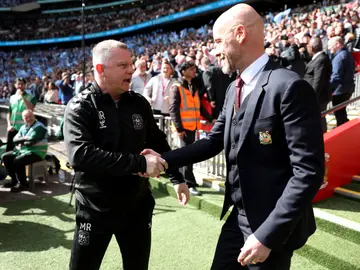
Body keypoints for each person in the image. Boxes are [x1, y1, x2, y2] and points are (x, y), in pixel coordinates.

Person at [144, 4, 324, 269]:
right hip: (237, 218)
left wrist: (267, 235)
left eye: (218, 41)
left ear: (240, 33)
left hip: (271, 228)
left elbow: (308, 171)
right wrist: (164, 159)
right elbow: (213, 141)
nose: (215, 50)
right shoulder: (233, 89)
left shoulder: (289, 87)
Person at [63, 39, 189, 270]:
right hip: (95, 209)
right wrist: (140, 162)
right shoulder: (80, 106)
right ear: (100, 69)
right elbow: (81, 155)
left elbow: (157, 141)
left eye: (130, 64)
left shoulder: (138, 103)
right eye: (123, 65)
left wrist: (177, 178)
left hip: (137, 207)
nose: (131, 69)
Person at [169, 61, 215, 196]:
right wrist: (179, 128)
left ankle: (187, 180)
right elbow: (173, 110)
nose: (194, 71)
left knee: (188, 155)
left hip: (192, 127)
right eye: (191, 69)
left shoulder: (192, 87)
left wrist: (211, 119)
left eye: (194, 68)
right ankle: (188, 183)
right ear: (183, 71)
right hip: (184, 128)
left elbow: (199, 107)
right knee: (188, 156)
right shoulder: (176, 87)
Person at [2, 110, 48, 192]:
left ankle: (23, 184)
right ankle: (14, 180)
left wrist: (21, 141)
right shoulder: (23, 127)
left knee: (18, 160)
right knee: (5, 157)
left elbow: (31, 141)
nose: (28, 119)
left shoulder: (39, 127)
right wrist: (24, 139)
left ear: (33, 116)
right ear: (23, 119)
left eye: (29, 116)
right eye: (25, 117)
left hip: (37, 153)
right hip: (24, 151)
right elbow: (15, 139)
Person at [304, 37, 332, 133]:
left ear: (311, 47)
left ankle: (323, 138)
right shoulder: (317, 58)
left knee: (319, 119)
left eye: (308, 46)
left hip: (318, 98)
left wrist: (312, 98)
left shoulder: (321, 59)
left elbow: (318, 82)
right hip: (315, 97)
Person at [328, 36, 355, 127]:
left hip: (340, 91)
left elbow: (336, 76)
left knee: (340, 115)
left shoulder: (339, 57)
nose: (329, 47)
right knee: (342, 113)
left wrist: (330, 89)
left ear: (337, 44)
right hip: (346, 88)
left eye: (330, 45)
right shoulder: (346, 54)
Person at [6, 78, 36, 153]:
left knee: (22, 150)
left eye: (22, 84)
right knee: (9, 149)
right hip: (13, 128)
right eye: (18, 84)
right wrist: (9, 125)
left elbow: (30, 109)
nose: (20, 86)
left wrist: (22, 97)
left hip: (24, 129)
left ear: (25, 85)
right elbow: (9, 112)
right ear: (15, 85)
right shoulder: (12, 97)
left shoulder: (31, 97)